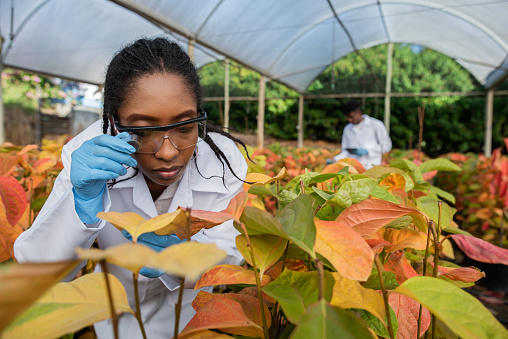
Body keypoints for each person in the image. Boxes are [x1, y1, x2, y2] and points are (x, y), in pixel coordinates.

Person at [14, 37, 249, 338]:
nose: (167, 152)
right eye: (142, 130)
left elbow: (232, 253)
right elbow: (38, 273)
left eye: (185, 127)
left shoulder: (223, 162)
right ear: (113, 123)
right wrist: (80, 211)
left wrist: (183, 259)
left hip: (192, 321)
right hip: (110, 317)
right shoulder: (86, 158)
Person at [332, 100, 392, 169]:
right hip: (354, 168)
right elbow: (346, 151)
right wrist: (335, 159)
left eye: (351, 117)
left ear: (359, 112)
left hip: (372, 167)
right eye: (347, 117)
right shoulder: (347, 129)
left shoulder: (376, 125)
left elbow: (386, 146)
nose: (349, 120)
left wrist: (368, 151)